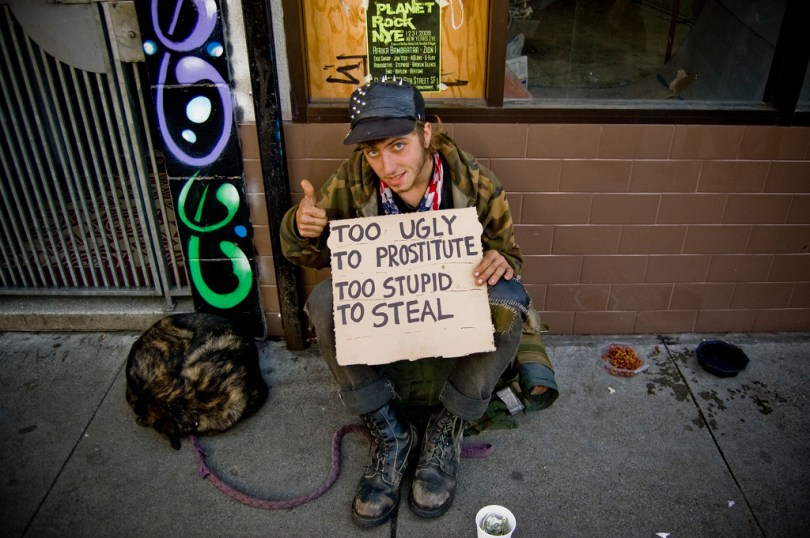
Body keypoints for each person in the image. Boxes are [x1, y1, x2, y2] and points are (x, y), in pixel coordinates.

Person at [280, 77, 532, 528]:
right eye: (373, 151)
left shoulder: (475, 183)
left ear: (426, 133)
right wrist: (302, 228)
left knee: (510, 298)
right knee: (323, 300)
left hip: (452, 318)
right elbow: (311, 255)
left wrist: (500, 261)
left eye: (399, 145)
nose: (387, 165)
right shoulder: (353, 182)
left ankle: (446, 428)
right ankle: (390, 432)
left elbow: (509, 255)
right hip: (389, 319)